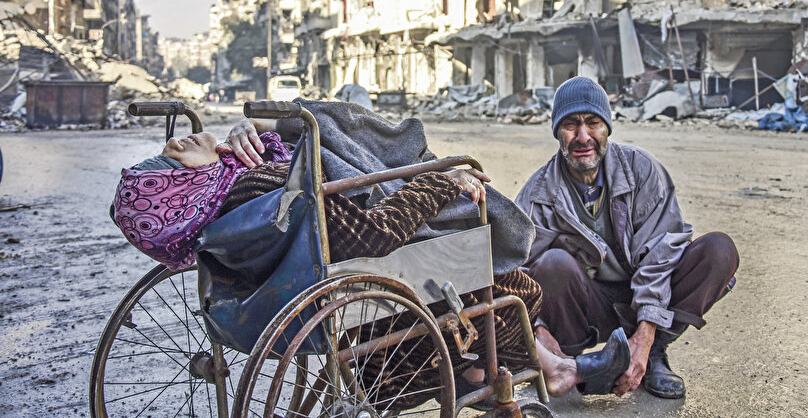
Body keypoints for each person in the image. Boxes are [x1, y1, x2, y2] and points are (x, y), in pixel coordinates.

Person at [113, 123, 629, 409]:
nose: (177, 142)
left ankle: (537, 369)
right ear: (184, 194)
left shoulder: (227, 202)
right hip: (352, 292)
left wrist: (264, 131)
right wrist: (439, 183)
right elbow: (371, 233)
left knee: (492, 282)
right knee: (514, 288)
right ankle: (524, 374)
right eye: (170, 158)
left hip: (294, 293)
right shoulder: (255, 187)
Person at [515, 76, 740, 399]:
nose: (582, 137)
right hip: (589, 303)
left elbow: (662, 254)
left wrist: (645, 338)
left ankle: (655, 354)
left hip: (649, 293)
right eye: (570, 125)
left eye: (593, 123)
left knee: (719, 251)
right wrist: (538, 330)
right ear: (557, 133)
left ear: (607, 128)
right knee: (552, 263)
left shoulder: (641, 169)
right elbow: (514, 270)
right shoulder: (539, 192)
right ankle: (576, 366)